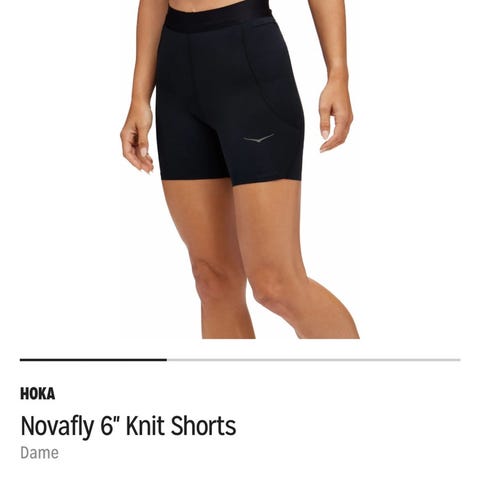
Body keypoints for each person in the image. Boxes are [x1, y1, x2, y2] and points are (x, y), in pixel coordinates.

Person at [120, 0, 359, 339]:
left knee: (276, 284)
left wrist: (338, 73)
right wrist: (139, 97)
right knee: (212, 280)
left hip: (248, 65)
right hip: (175, 72)